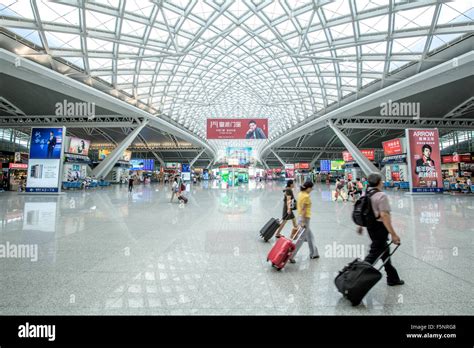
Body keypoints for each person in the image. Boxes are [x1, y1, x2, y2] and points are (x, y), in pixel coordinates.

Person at [356, 173, 404, 286]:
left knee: (384, 252)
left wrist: (361, 226)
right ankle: (356, 278)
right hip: (380, 228)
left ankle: (392, 278)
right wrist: (393, 234)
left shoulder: (365, 193)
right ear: (379, 182)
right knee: (373, 254)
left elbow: (364, 211)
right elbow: (384, 216)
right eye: (381, 181)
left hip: (370, 227)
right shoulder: (381, 196)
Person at [289, 181, 319, 263]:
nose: (312, 189)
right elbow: (304, 210)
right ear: (308, 188)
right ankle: (291, 255)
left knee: (310, 236)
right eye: (311, 188)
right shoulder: (306, 196)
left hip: (300, 217)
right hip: (305, 219)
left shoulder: (300, 193)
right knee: (301, 239)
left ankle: (314, 253)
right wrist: (303, 222)